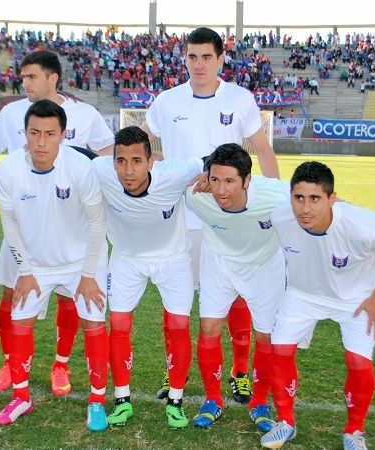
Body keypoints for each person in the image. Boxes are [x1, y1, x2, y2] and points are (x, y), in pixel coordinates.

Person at [0, 49, 115, 395]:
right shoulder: (14, 113)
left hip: (68, 229)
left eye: (31, 77)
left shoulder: (84, 114)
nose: (24, 83)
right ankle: (10, 362)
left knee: (69, 297)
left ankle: (61, 364)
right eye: (23, 76)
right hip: (24, 228)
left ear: (52, 78)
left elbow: (108, 153)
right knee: (12, 293)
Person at [141, 27, 280, 403]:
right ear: (184, 58)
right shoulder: (167, 101)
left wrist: (277, 203)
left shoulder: (240, 99)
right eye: (192, 56)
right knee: (178, 301)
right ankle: (177, 377)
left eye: (206, 56)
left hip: (227, 216)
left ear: (221, 59)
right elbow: (140, 145)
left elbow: (263, 152)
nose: (198, 64)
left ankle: (238, 373)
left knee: (232, 298)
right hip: (178, 218)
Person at [261, 162, 375, 450]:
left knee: (358, 362)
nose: (305, 208)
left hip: (356, 298)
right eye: (299, 198)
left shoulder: (361, 225)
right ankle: (285, 423)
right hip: (303, 294)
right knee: (278, 351)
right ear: (290, 196)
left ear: (332, 199)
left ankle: (354, 432)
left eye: (315, 198)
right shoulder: (281, 218)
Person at [0, 100, 109, 431]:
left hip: (82, 260)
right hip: (36, 263)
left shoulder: (80, 167)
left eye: (49, 134)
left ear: (62, 135)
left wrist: (88, 276)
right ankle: (21, 396)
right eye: (34, 133)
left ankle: (97, 401)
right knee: (20, 323)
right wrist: (25, 271)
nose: (41, 142)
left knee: (94, 324)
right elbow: (10, 223)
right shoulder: (9, 168)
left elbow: (98, 224)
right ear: (24, 134)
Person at [93, 126, 206, 428]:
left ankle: (176, 402)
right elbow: (70, 160)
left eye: (136, 161)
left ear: (151, 160)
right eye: (121, 161)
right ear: (112, 160)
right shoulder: (99, 171)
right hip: (127, 260)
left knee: (179, 325)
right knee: (118, 325)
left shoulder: (174, 173)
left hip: (173, 259)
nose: (128, 170)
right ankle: (122, 401)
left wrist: (212, 173)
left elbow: (208, 160)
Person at [184, 144, 289, 431]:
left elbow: (319, 199)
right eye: (215, 180)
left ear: (246, 180)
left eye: (229, 181)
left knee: (266, 336)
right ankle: (212, 400)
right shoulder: (196, 194)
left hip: (264, 266)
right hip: (219, 262)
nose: (220, 190)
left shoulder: (275, 194)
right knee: (209, 329)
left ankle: (260, 403)